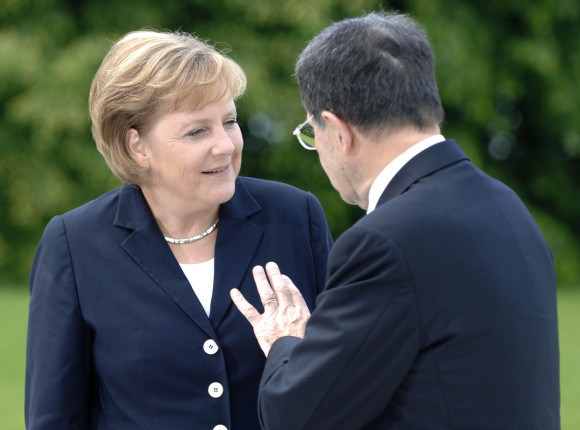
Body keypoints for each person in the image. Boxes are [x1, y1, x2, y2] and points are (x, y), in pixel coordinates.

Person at [231, 11, 560, 430]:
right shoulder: (504, 204)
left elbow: (296, 415)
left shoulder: (385, 241)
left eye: (311, 133)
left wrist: (285, 342)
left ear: (337, 130)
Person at [25, 30, 333, 430]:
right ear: (137, 145)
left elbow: (352, 379)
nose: (225, 145)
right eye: (197, 131)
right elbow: (55, 418)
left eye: (229, 122)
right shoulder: (75, 244)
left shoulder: (294, 215)